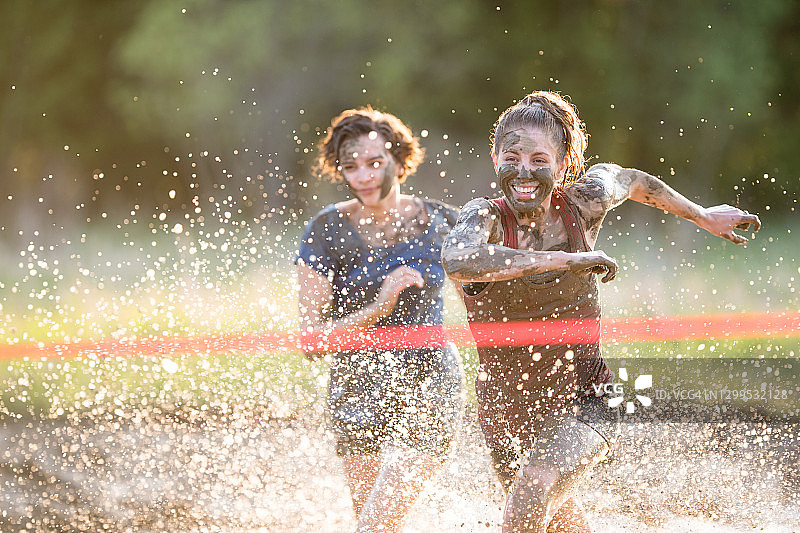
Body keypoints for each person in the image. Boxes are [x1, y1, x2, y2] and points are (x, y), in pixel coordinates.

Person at [441, 90, 761, 532]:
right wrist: (568, 261)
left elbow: (630, 180)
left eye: (539, 158)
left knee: (529, 498)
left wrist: (701, 215)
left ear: (563, 163)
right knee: (556, 520)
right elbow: (460, 261)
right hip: (503, 410)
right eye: (512, 156)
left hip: (585, 399)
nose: (524, 170)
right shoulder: (484, 217)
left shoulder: (584, 203)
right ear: (496, 160)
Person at [295, 107, 465, 532]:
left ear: (399, 160)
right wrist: (377, 309)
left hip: (431, 381)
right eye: (350, 167)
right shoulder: (324, 230)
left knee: (378, 521)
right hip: (357, 387)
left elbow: (484, 305)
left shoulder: (443, 221)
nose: (364, 177)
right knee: (373, 525)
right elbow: (311, 342)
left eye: (374, 163)